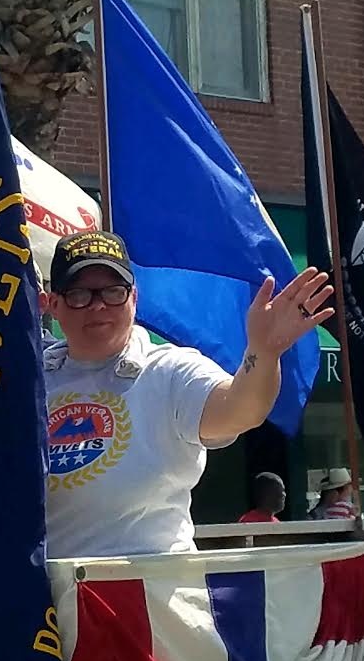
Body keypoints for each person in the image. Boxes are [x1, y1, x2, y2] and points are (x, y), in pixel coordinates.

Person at [42, 230, 333, 558]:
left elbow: (240, 409)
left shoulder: (169, 371)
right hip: (45, 599)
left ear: (134, 297)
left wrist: (264, 354)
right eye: (80, 294)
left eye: (113, 292)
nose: (98, 307)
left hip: (148, 598)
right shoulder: (29, 381)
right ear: (54, 304)